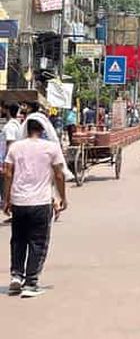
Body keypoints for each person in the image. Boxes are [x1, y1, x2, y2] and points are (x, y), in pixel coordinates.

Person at [3, 118, 67, 298]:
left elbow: (7, 172)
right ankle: (31, 282)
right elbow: (59, 175)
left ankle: (16, 275)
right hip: (40, 202)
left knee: (18, 240)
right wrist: (62, 197)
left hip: (19, 202)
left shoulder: (15, 147)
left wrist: (6, 199)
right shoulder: (51, 148)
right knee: (38, 242)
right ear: (44, 129)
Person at [0, 103, 22, 218]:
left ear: (7, 110)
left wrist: (6, 163)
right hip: (15, 159)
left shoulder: (10, 126)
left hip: (9, 159)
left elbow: (9, 143)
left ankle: (10, 208)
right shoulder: (17, 125)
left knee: (7, 185)